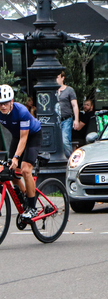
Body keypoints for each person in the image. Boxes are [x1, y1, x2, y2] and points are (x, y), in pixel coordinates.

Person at [0, 85, 42, 219]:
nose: (3, 106)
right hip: (17, 136)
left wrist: (16, 157)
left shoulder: (21, 111)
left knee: (25, 170)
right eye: (0, 103)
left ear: (12, 101)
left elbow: (24, 138)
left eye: (6, 103)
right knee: (10, 171)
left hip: (32, 136)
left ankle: (33, 208)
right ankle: (26, 199)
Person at [56, 70, 80, 157]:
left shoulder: (69, 90)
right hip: (55, 120)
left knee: (65, 141)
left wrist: (76, 120)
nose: (56, 79)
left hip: (66, 119)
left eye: (57, 77)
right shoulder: (53, 90)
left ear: (63, 78)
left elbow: (74, 105)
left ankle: (69, 159)